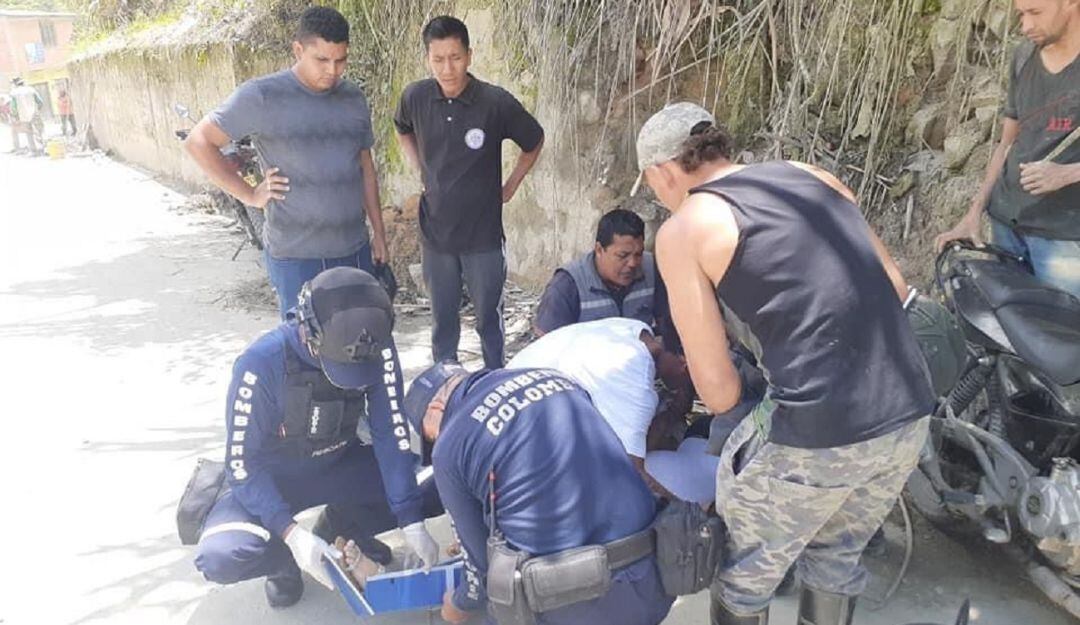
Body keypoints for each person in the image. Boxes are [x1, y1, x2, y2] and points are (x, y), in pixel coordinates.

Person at [635, 102, 934, 625]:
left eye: (653, 187)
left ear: (662, 172)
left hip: (815, 428)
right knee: (835, 560)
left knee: (742, 575)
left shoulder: (684, 230)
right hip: (907, 411)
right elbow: (897, 287)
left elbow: (721, 393)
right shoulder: (810, 175)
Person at [194, 267, 443, 608]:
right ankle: (286, 567)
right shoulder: (260, 364)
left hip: (341, 463)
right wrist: (291, 533)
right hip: (276, 477)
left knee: (441, 484)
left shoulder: (376, 346)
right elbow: (241, 464)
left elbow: (391, 433)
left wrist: (410, 519)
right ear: (307, 330)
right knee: (220, 555)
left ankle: (341, 528)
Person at [403, 361, 674, 625]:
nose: (435, 441)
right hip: (653, 575)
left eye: (429, 436)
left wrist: (457, 604)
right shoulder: (555, 377)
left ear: (436, 408)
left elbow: (479, 577)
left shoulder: (449, 445)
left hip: (572, 603)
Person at [184, 7, 391, 318]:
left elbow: (365, 168)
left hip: (354, 250)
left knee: (358, 346)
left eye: (341, 60)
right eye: (322, 60)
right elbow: (198, 142)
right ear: (298, 50)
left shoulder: (353, 98)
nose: (333, 71)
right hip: (296, 256)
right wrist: (250, 194)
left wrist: (379, 233)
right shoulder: (262, 96)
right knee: (303, 354)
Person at [394, 15, 544, 369]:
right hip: (436, 236)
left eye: (456, 57)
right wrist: (419, 168)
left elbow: (533, 140)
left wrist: (511, 185)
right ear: (427, 59)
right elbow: (402, 128)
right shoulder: (415, 96)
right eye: (438, 59)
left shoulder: (494, 102)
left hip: (484, 237)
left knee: (488, 320)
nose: (448, 68)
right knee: (442, 323)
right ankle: (444, 385)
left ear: (470, 55)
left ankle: (495, 378)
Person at [935, 0, 1080, 298]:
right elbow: (1007, 142)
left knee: (1063, 338)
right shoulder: (1023, 55)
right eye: (1021, 14)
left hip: (1065, 238)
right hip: (1006, 225)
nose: (1026, 26)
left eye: (1036, 12)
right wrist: (974, 212)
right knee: (1010, 332)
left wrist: (1067, 174)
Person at [507, 317, 715, 501]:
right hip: (522, 448)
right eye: (693, 382)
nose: (690, 389)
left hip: (507, 400)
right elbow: (630, 475)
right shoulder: (635, 380)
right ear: (685, 364)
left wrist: (672, 413)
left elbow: (636, 443)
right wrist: (693, 512)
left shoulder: (634, 331)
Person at [10, 78, 43, 155]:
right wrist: (38, 110)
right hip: (35, 113)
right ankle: (42, 148)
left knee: (29, 133)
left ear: (15, 84)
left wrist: (15, 115)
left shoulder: (14, 93)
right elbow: (40, 102)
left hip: (23, 115)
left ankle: (33, 151)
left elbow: (13, 107)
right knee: (39, 131)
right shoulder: (32, 90)